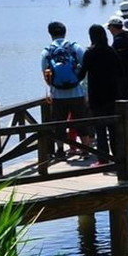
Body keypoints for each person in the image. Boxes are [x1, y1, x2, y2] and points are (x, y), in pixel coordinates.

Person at [40, 21, 93, 160]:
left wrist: (53, 86)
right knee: (81, 121)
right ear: (65, 31)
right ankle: (86, 150)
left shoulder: (46, 51)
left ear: (50, 33)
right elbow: (87, 68)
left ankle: (60, 151)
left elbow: (45, 73)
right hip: (77, 92)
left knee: (59, 123)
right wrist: (84, 87)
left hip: (57, 95)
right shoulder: (76, 47)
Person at [81, 23, 125, 168]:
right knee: (113, 129)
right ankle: (117, 157)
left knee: (100, 129)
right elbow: (120, 71)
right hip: (112, 94)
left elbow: (81, 74)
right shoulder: (111, 51)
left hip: (96, 95)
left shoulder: (89, 53)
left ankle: (103, 160)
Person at [107, 15, 128, 103]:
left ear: (113, 27)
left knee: (123, 99)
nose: (109, 30)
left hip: (122, 76)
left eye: (109, 27)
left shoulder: (119, 41)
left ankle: (127, 116)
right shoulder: (127, 37)